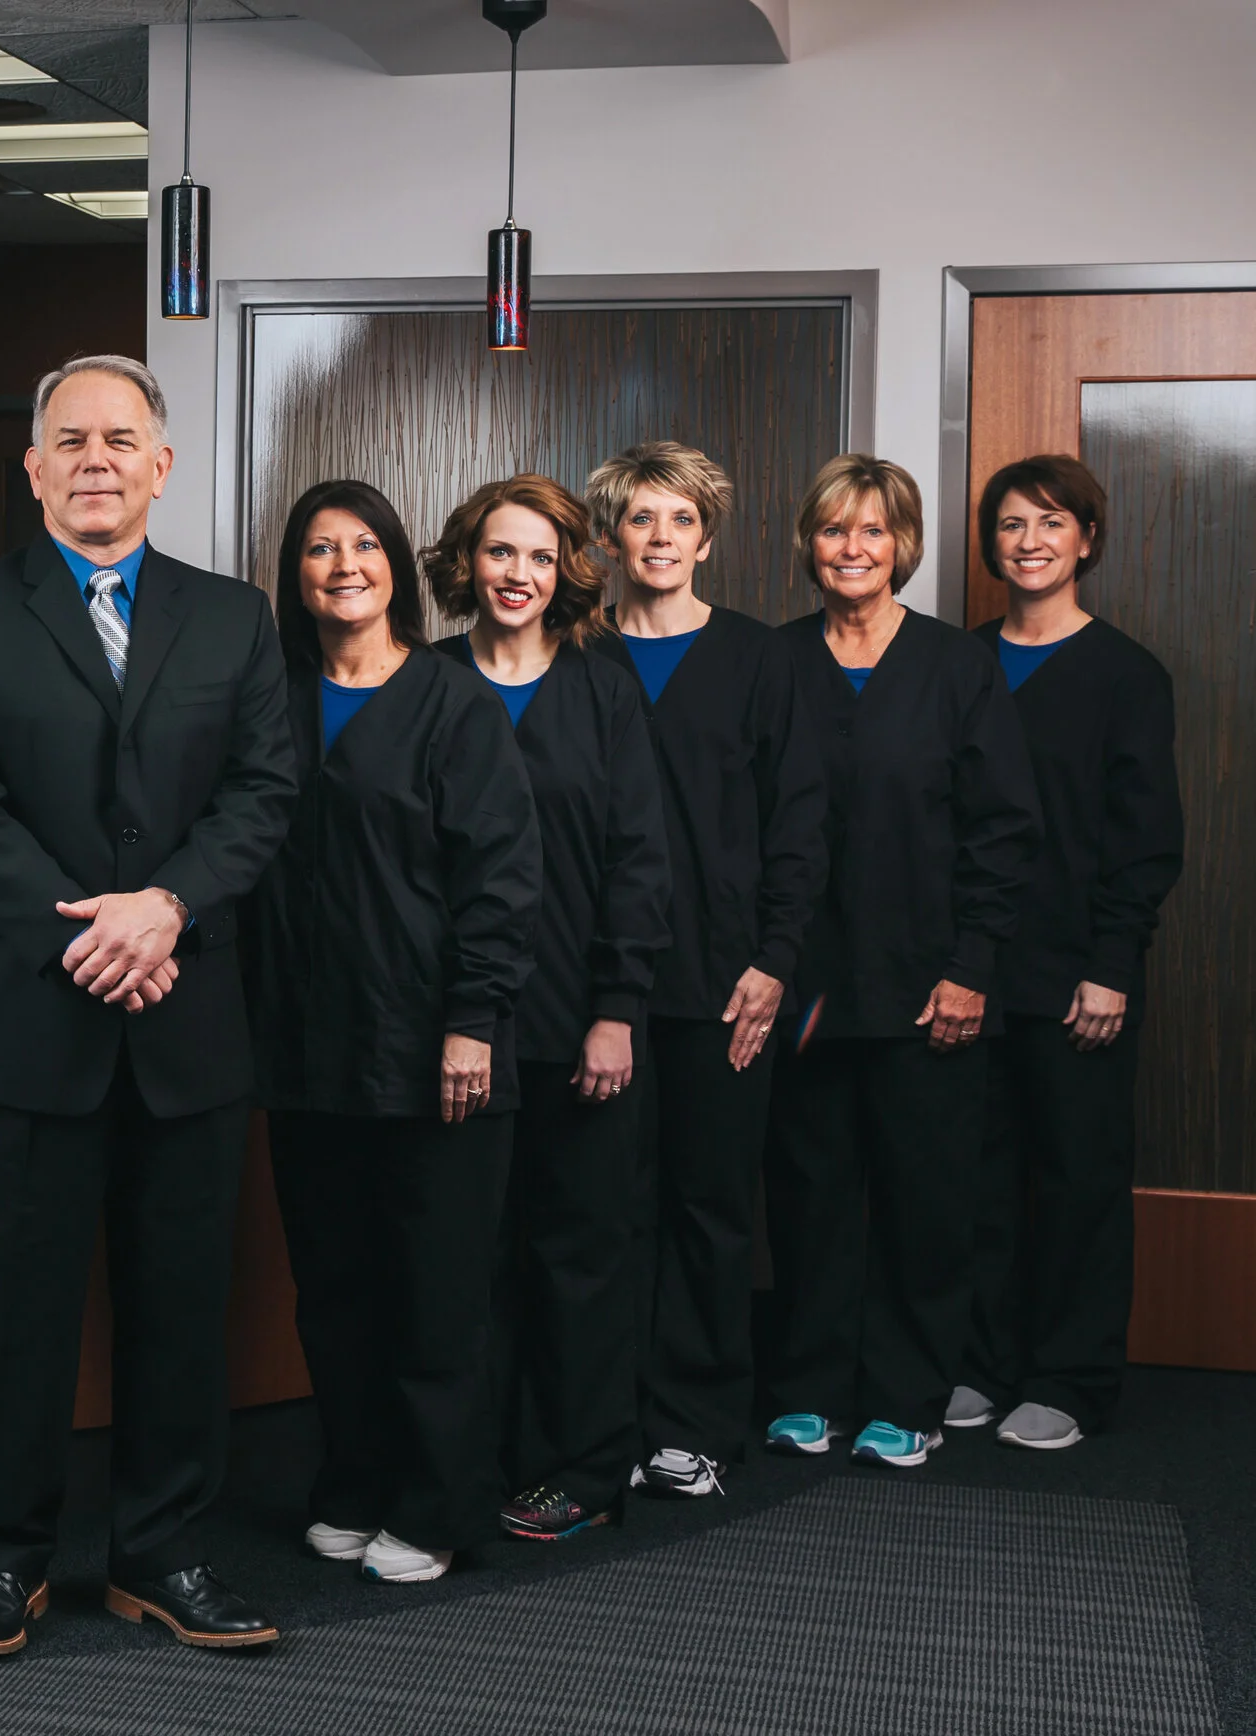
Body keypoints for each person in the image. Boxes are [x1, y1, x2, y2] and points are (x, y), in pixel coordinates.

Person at [0, 354, 297, 1657]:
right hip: (29, 1012)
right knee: (9, 1308)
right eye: (69, 439)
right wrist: (92, 929)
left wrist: (165, 906)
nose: (94, 460)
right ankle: (1, 1558)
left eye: (119, 440)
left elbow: (263, 791)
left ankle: (162, 1553)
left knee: (181, 1307)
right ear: (32, 468)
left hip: (187, 1017)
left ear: (160, 465)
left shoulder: (234, 616)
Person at [246, 480, 542, 1586]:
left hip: (435, 1049)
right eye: (320, 549)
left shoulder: (453, 702)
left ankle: (436, 1503)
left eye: (364, 544)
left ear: (395, 565)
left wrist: (473, 1021)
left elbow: (502, 877)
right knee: (335, 1290)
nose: (344, 565)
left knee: (437, 1294)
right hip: (308, 1049)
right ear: (296, 575)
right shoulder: (268, 700)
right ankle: (355, 1483)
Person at [762, 454, 1040, 1469]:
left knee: (925, 1202)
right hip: (804, 990)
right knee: (810, 1197)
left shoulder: (956, 665)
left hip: (932, 987)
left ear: (902, 546)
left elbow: (1004, 830)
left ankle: (904, 1398)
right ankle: (808, 1388)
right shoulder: (775, 660)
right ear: (811, 542)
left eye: (872, 530)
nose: (852, 548)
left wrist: (971, 968)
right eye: (835, 529)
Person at [429, 475, 672, 1541]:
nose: (517, 574)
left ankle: (583, 1467)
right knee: (468, 1254)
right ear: (466, 562)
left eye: (539, 556)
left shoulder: (603, 689)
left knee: (579, 1250)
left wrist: (616, 1007)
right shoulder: (428, 680)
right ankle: (472, 1463)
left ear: (566, 570)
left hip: (580, 1017)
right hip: (458, 1024)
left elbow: (638, 857)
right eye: (499, 552)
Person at [582, 443, 826, 1499]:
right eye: (641, 518)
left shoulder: (758, 659)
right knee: (604, 1212)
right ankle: (604, 1421)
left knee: (710, 1208)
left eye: (680, 519)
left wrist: (774, 961)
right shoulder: (575, 652)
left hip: (723, 984)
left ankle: (694, 1424)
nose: (661, 537)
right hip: (595, 987)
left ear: (707, 540)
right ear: (610, 538)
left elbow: (799, 824)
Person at [953, 455, 1180, 1451]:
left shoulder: (1126, 674)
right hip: (970, 969)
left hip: (1078, 971)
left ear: (1086, 539)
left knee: (1079, 1179)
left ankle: (1070, 1378)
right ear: (990, 544)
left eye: (1051, 522)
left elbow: (1146, 839)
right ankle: (980, 1361)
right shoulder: (957, 662)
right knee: (977, 1176)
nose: (1029, 541)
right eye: (1010, 524)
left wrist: (1112, 962)